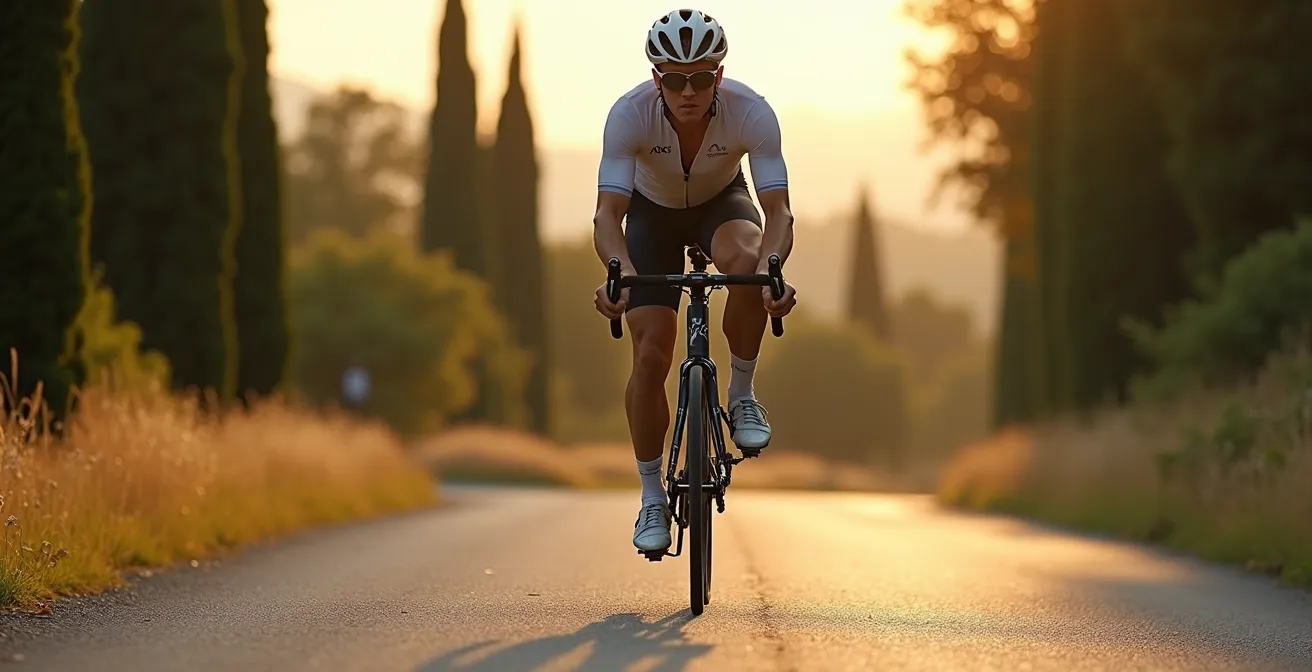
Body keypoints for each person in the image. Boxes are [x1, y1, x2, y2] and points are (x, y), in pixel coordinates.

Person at [591, 9, 799, 553]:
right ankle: (651, 498)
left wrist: (773, 270)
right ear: (656, 78)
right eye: (674, 79)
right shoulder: (629, 115)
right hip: (651, 215)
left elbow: (778, 212)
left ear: (719, 76)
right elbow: (608, 216)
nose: (688, 91)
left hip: (720, 204)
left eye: (701, 78)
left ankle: (742, 394)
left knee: (749, 266)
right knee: (651, 353)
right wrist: (621, 275)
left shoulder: (751, 112)